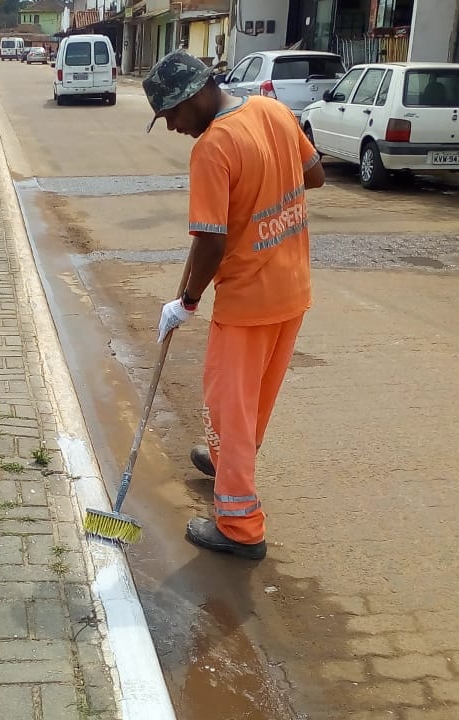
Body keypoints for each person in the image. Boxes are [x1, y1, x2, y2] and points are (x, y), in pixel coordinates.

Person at [146, 49, 325, 560]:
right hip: (292, 290)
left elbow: (211, 242)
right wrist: (267, 187)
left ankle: (240, 525)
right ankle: (228, 464)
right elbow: (313, 176)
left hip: (247, 302)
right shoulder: (272, 111)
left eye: (173, 115)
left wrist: (187, 302)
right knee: (253, 404)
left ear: (197, 95)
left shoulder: (213, 147)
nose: (175, 127)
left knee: (230, 408)